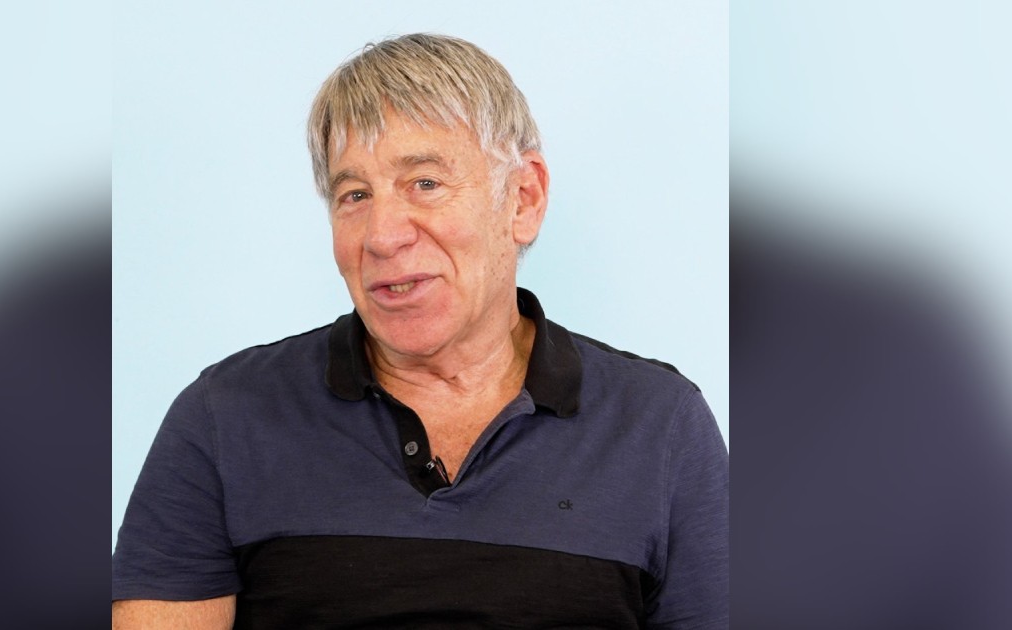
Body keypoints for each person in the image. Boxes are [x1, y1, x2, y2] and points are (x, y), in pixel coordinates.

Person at [112, 33, 727, 629]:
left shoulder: (659, 424)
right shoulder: (225, 416)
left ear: (523, 199)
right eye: (354, 195)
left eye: (425, 184)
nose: (382, 236)